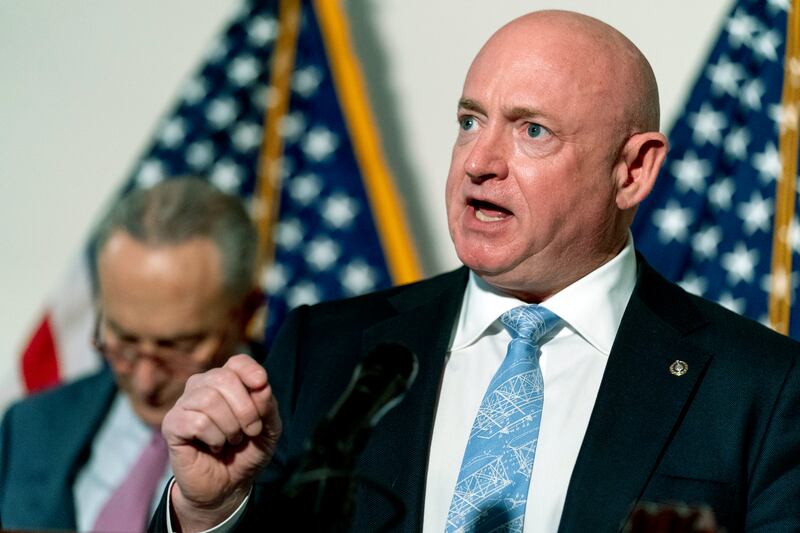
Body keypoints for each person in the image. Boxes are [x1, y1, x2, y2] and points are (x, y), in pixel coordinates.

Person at [153, 10, 800, 533]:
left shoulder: (759, 390)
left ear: (633, 170)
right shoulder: (325, 352)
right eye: (470, 120)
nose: (479, 161)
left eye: (533, 131)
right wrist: (210, 513)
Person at [0, 178, 263, 532]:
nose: (144, 381)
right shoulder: (30, 425)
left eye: (178, 347)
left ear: (245, 314)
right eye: (123, 339)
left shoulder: (300, 435)